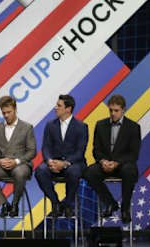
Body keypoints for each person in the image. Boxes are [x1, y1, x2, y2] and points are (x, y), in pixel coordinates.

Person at [83, 94, 141, 224]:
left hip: (123, 165)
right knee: (88, 172)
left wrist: (117, 163)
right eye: (111, 110)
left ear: (123, 110)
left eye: (116, 111)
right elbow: (96, 149)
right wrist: (103, 161)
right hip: (105, 164)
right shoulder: (100, 125)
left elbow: (133, 154)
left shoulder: (133, 127)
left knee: (129, 171)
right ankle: (110, 203)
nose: (113, 113)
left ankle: (125, 209)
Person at [0, 96, 37, 217]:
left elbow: (32, 151)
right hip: (2, 165)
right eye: (3, 113)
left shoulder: (27, 127)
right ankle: (5, 204)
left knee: (19, 173)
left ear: (15, 109)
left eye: (9, 112)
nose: (6, 115)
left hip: (21, 165)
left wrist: (16, 161)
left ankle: (15, 204)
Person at [35, 95, 88, 218]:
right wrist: (49, 161)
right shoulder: (50, 125)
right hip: (54, 162)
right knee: (40, 171)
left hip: (73, 163)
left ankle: (68, 204)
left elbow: (80, 152)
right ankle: (56, 203)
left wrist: (64, 163)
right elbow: (46, 147)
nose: (55, 108)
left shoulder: (81, 127)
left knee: (73, 172)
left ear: (68, 109)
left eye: (59, 106)